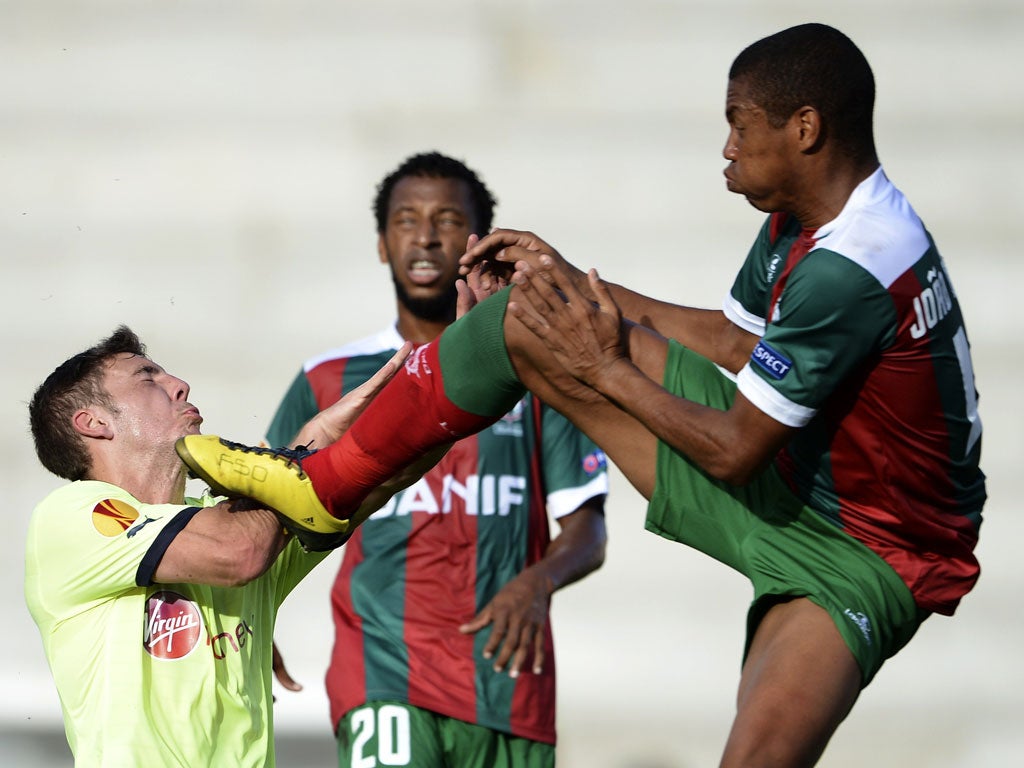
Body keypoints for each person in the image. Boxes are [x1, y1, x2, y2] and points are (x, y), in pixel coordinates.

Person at [178, 23, 986, 767]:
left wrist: (607, 371)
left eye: (740, 124)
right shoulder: (805, 221)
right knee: (525, 316)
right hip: (798, 483)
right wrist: (559, 281)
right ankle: (324, 482)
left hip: (866, 553)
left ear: (804, 129)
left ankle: (325, 481)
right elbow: (735, 343)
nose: (728, 147)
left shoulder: (849, 266)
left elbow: (735, 450)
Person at [266, 151, 609, 767]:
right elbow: (265, 513)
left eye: (448, 220)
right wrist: (254, 617)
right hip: (382, 671)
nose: (425, 237)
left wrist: (537, 583)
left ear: (481, 243)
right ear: (382, 244)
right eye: (406, 221)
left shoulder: (536, 374)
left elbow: (589, 529)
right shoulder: (327, 380)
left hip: (509, 685)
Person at [24, 325, 418, 767]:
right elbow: (238, 553)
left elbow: (387, 475)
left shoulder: (234, 518)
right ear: (94, 422)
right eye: (147, 377)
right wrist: (308, 450)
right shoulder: (72, 514)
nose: (180, 385)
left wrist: (447, 379)